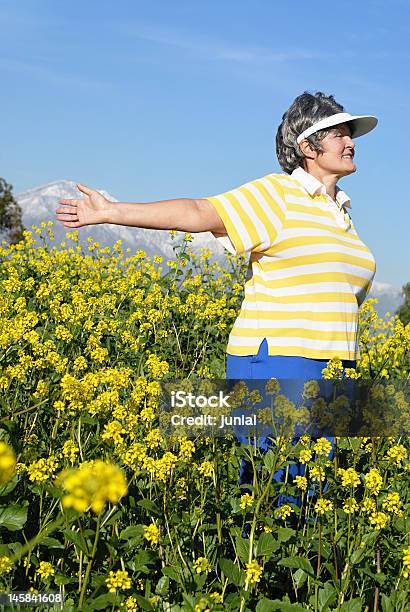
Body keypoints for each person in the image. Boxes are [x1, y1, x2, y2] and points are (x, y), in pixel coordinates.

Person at [55, 90, 378, 510]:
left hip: (336, 367)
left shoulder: (343, 214)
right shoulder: (278, 195)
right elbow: (196, 212)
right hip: (280, 361)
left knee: (312, 497)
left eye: (351, 134)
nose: (350, 142)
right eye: (338, 133)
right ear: (307, 146)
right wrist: (112, 212)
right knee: (271, 496)